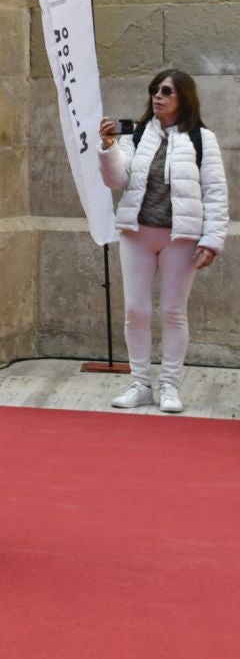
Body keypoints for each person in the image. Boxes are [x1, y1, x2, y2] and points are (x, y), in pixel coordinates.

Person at [100, 70, 227, 414]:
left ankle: (169, 385)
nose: (158, 96)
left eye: (166, 91)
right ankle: (140, 384)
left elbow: (215, 192)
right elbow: (118, 180)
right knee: (136, 311)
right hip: (137, 233)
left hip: (180, 238)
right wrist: (109, 148)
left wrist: (212, 239)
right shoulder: (137, 134)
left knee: (173, 312)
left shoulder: (202, 139)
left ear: (182, 97)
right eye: (155, 90)